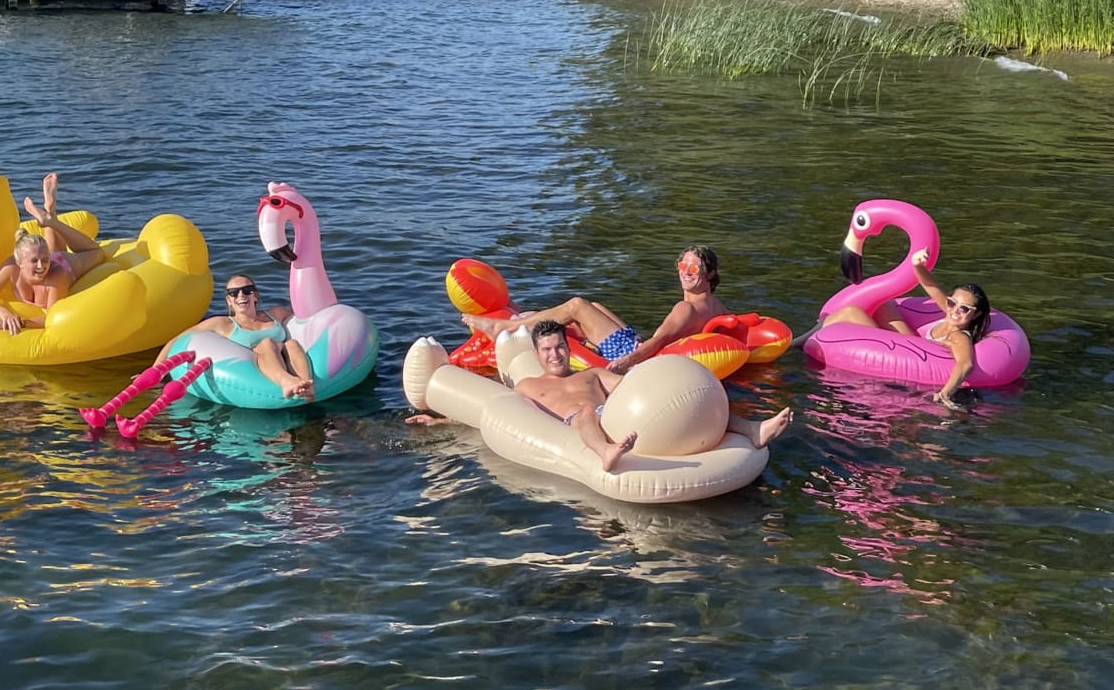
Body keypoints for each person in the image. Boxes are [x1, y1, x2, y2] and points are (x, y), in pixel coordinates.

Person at [408, 320, 792, 459]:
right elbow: (499, 420)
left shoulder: (589, 376)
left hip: (621, 417)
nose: (556, 354)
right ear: (537, 355)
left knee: (693, 405)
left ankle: (752, 429)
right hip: (580, 426)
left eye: (560, 346)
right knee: (588, 413)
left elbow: (629, 387)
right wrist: (442, 423)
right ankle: (606, 454)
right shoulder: (527, 386)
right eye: (548, 349)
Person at [459, 245, 727, 375]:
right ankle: (520, 313)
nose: (685, 274)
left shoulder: (685, 308)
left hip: (634, 357)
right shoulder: (716, 306)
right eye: (682, 266)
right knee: (594, 308)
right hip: (638, 347)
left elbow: (659, 342)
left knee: (577, 305)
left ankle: (505, 326)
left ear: (710, 273)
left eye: (694, 269)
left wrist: (625, 362)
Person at [792, 247, 991, 406]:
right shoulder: (949, 314)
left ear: (976, 313)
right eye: (952, 303)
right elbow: (931, 287)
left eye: (964, 308)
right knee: (880, 302)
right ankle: (804, 338)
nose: (955, 310)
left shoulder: (960, 336)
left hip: (908, 355)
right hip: (911, 342)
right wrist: (917, 264)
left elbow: (965, 364)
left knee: (851, 313)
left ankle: (794, 344)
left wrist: (946, 393)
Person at [0, 173, 105, 335]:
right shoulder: (11, 267)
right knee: (53, 251)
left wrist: (20, 322)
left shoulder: (56, 275)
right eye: (34, 261)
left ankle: (52, 221)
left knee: (96, 252)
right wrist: (4, 313)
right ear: (19, 262)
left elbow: (53, 317)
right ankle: (50, 212)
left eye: (44, 260)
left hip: (65, 263)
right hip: (52, 255)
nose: (41, 266)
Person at [154, 273, 315, 401]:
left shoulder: (276, 314)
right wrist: (156, 371)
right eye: (233, 293)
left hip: (287, 358)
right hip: (258, 368)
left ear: (255, 296)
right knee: (266, 343)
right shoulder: (222, 323)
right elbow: (176, 340)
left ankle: (306, 386)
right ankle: (287, 382)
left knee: (292, 343)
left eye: (247, 290)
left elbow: (307, 318)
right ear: (229, 301)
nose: (241, 295)